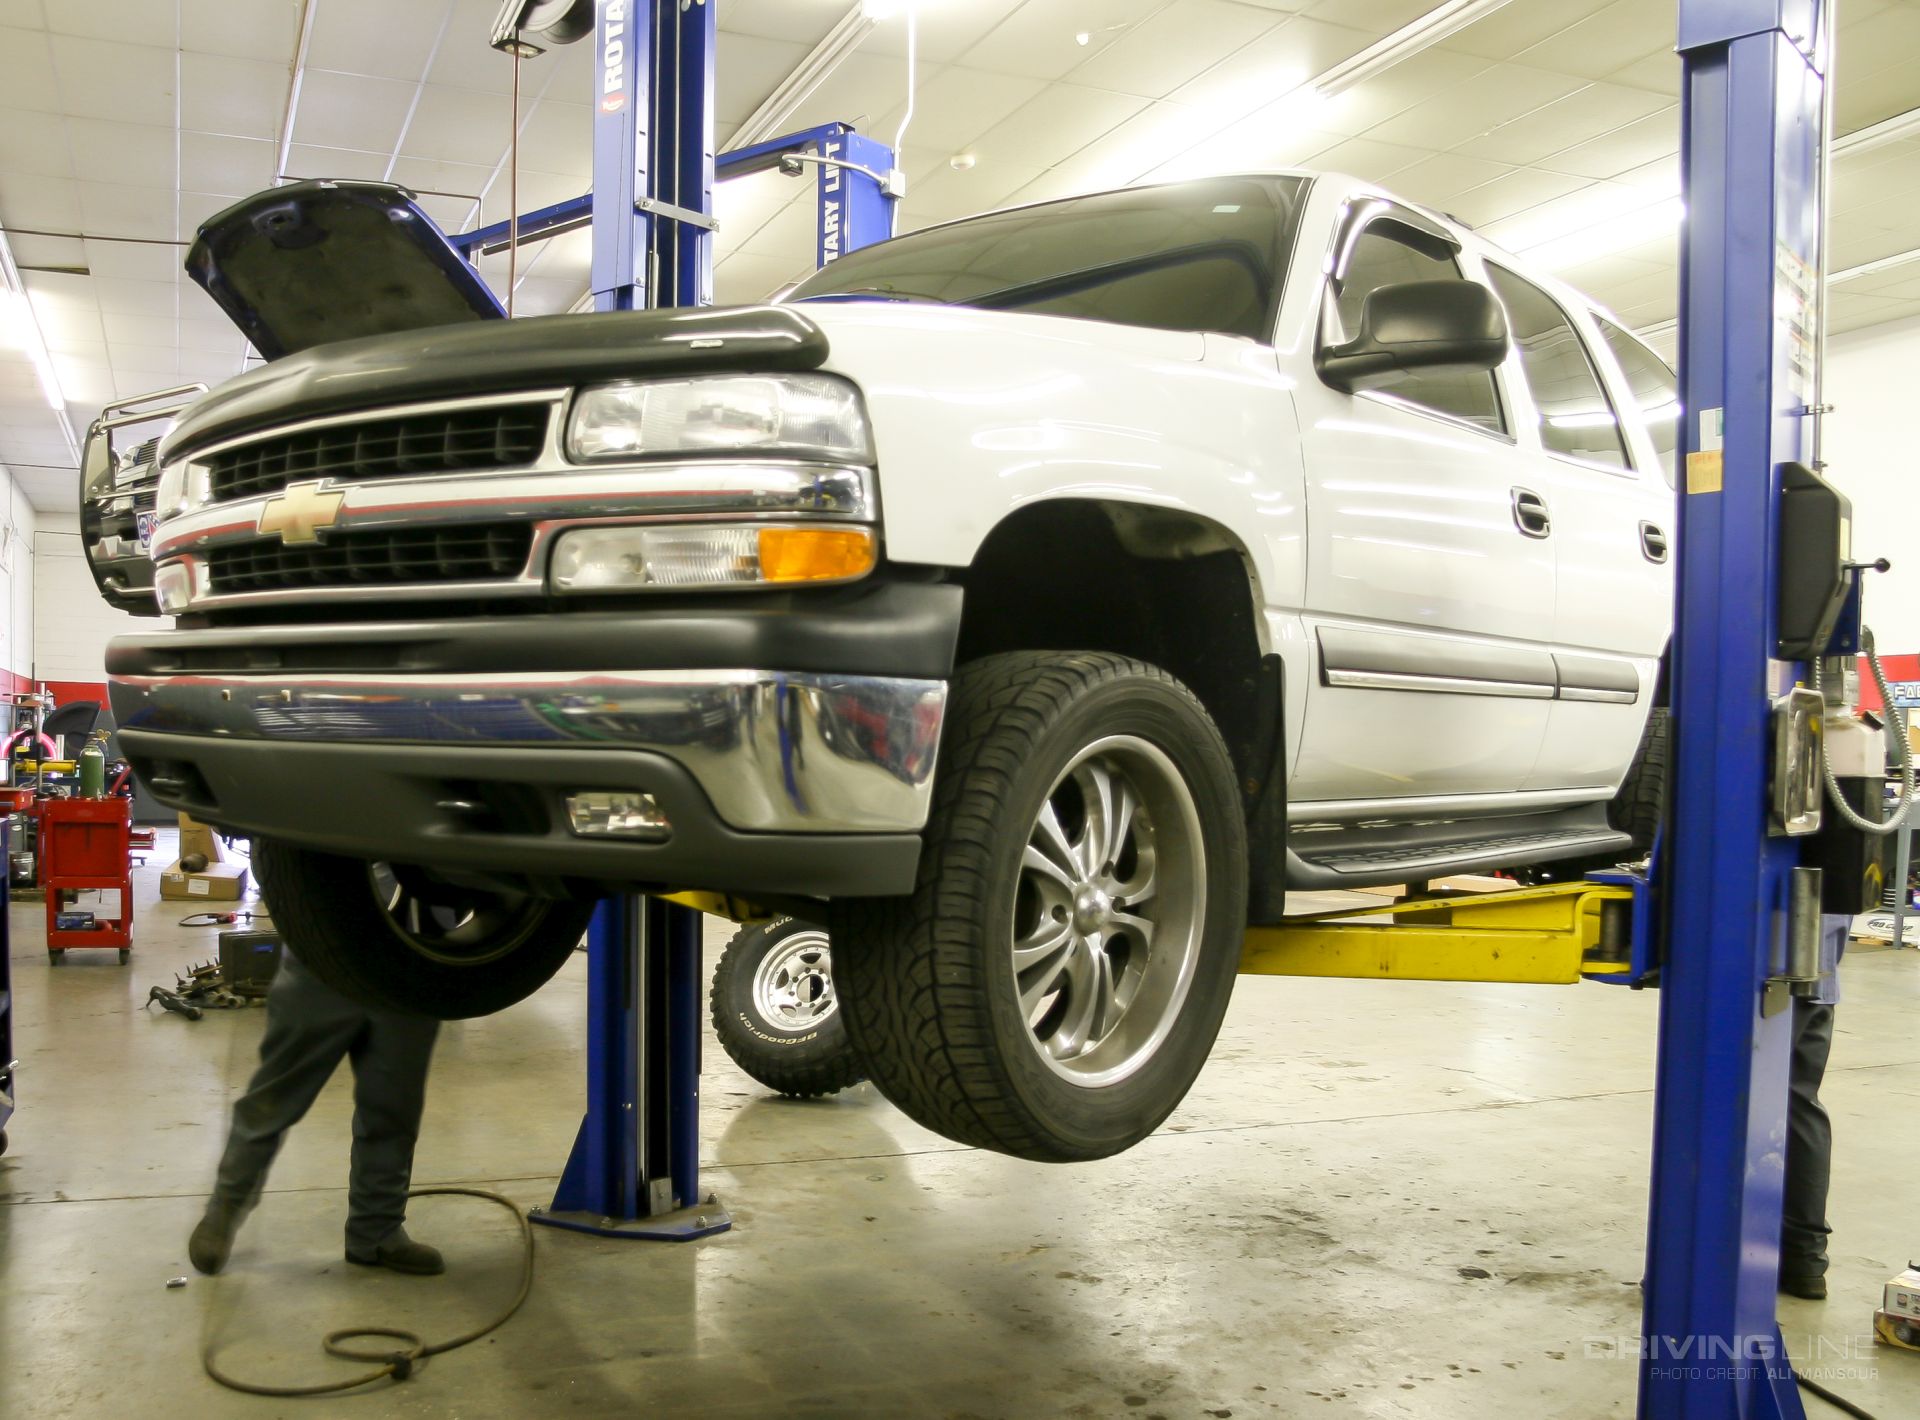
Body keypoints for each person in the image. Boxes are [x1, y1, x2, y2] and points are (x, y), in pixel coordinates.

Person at [188, 946, 445, 1276]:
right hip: (324, 961)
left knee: (393, 1110)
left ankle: (377, 1232)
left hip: (412, 968)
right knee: (272, 1101)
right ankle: (223, 1210)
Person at [1779, 912, 1847, 1301]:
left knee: (1719, 1107)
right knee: (1799, 1105)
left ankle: (1702, 1260)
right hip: (1819, 971)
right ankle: (1804, 1261)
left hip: (1761, 972)